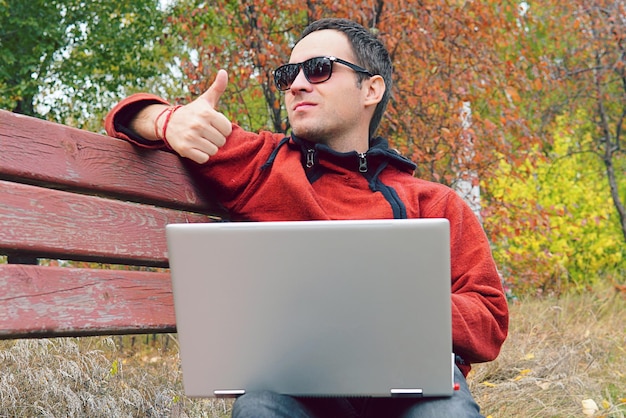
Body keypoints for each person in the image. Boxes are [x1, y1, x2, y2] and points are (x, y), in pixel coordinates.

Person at [105, 17, 508, 418]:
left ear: (371, 88)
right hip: (298, 388)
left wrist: (399, 307)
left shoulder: (435, 203)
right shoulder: (263, 164)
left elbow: (489, 317)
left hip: (413, 391)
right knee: (259, 407)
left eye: (319, 69)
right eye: (288, 74)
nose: (297, 84)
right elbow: (125, 117)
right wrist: (166, 120)